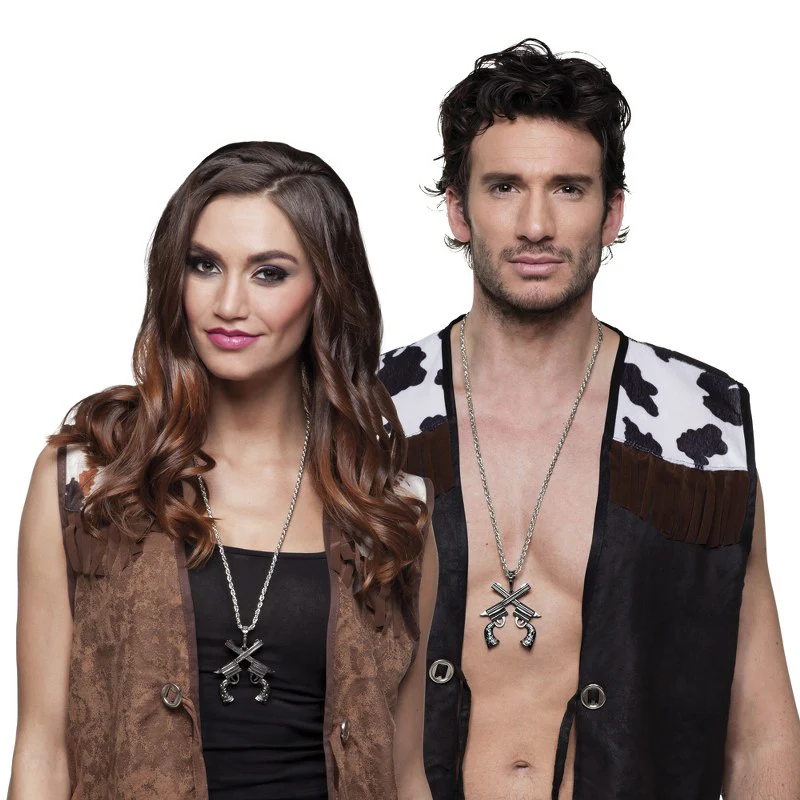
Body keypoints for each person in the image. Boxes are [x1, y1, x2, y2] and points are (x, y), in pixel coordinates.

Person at [379, 39, 800, 799]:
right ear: (459, 209)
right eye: (504, 187)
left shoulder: (697, 427)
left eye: (569, 189)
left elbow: (760, 735)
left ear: (612, 213)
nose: (536, 224)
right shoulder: (369, 411)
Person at [10, 141, 437, 800]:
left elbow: (404, 773)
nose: (229, 303)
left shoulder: (394, 509)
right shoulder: (88, 480)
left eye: (269, 273)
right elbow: (41, 751)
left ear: (326, 290)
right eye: (204, 265)